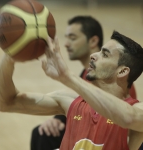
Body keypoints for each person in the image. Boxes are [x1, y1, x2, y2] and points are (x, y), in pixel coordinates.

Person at [0, 30, 143, 149]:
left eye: (104, 54)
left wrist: (67, 76)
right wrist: (9, 57)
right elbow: (4, 102)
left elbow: (126, 117)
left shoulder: (137, 111)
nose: (93, 55)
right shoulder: (70, 101)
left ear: (122, 71)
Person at [30, 16, 138, 150]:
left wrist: (67, 77)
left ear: (93, 40)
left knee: (45, 136)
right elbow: (79, 105)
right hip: (87, 130)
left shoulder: (121, 87)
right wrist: (58, 119)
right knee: (42, 132)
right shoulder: (87, 75)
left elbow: (126, 116)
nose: (66, 44)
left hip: (105, 136)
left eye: (73, 38)